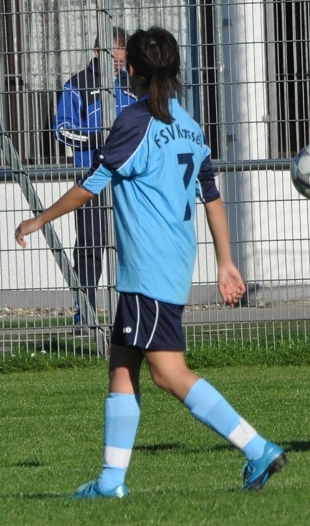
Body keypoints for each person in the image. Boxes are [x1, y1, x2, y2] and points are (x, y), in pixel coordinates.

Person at [16, 27, 286, 498]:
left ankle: (257, 447)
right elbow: (212, 197)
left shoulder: (135, 121)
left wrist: (39, 219)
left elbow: (93, 183)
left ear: (132, 70)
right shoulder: (188, 123)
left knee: (169, 372)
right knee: (122, 365)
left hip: (150, 268)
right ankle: (110, 482)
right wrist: (226, 262)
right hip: (170, 261)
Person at [53, 26, 137, 329]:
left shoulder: (133, 84)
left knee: (134, 245)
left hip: (131, 181)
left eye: (122, 61)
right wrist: (99, 140)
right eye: (114, 61)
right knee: (91, 246)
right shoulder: (76, 85)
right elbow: (61, 128)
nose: (119, 67)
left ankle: (135, 315)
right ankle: (84, 314)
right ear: (97, 53)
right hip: (94, 179)